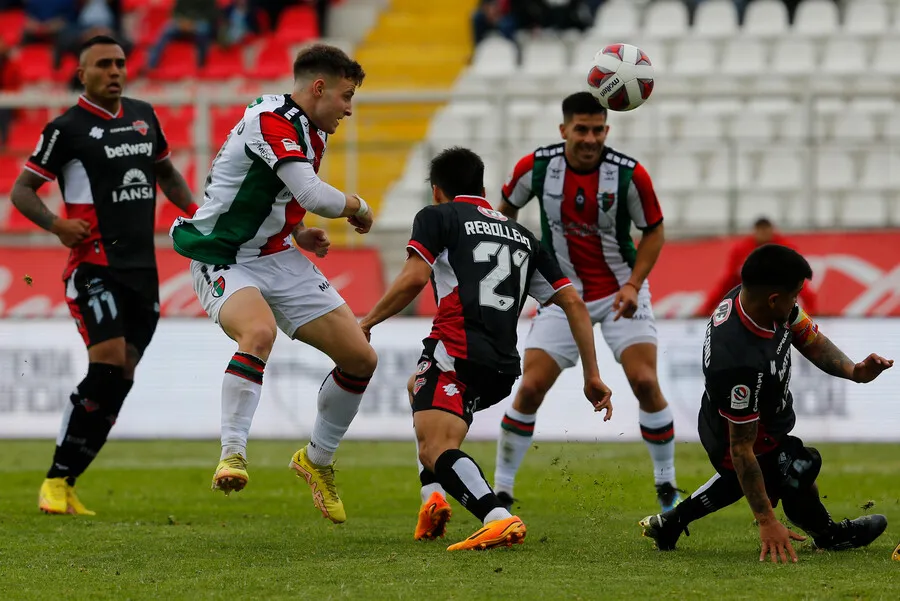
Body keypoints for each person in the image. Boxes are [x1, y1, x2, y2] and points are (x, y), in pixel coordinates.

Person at [359, 147, 613, 551]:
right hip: (501, 367)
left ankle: (498, 517)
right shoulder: (523, 236)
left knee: (436, 447)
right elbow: (573, 303)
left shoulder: (438, 216)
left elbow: (414, 278)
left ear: (436, 190)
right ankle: (433, 497)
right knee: (417, 389)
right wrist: (592, 374)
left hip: (455, 349)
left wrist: (367, 322)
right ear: (482, 188)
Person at [170, 44, 376, 524]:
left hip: (276, 253)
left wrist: (297, 230)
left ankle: (317, 460)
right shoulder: (272, 120)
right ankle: (232, 453)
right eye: (346, 96)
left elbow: (279, 192)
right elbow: (314, 193)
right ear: (318, 88)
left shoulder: (311, 127)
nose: (349, 109)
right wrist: (359, 207)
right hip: (221, 253)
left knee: (361, 359)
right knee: (258, 332)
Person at [10, 35, 197, 515]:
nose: (114, 71)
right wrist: (56, 224)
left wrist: (198, 216)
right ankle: (55, 479)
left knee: (122, 376)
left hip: (144, 271)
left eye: (120, 63)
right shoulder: (65, 129)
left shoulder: (144, 116)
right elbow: (22, 190)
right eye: (103, 64)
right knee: (109, 362)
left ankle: (66, 480)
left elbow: (167, 174)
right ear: (82, 75)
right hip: (93, 267)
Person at [641, 244, 893, 562]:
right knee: (798, 465)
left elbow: (810, 339)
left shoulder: (757, 301)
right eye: (795, 295)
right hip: (733, 432)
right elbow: (741, 450)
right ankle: (830, 536)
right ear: (774, 299)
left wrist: (854, 371)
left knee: (781, 470)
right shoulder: (738, 360)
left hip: (756, 419)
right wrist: (766, 521)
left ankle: (671, 523)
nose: (797, 302)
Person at [493, 91, 680, 512]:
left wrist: (634, 284)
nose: (591, 139)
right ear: (564, 130)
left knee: (645, 382)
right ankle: (501, 490)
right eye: (582, 129)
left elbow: (654, 231)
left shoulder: (629, 175)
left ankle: (667, 487)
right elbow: (504, 212)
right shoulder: (536, 167)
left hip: (620, 292)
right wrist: (516, 264)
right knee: (530, 387)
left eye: (598, 130)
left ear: (607, 130)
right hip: (562, 294)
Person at [697, 217, 818, 317]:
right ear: (755, 231)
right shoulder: (741, 250)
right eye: (760, 229)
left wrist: (812, 310)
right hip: (750, 304)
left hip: (778, 303)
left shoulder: (785, 248)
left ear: (771, 230)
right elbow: (727, 281)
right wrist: (706, 309)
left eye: (766, 229)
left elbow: (799, 281)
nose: (763, 233)